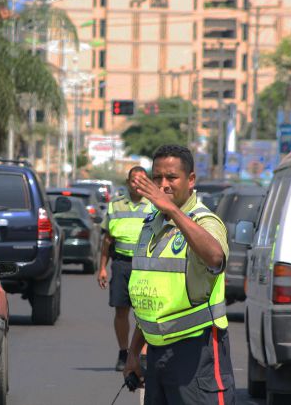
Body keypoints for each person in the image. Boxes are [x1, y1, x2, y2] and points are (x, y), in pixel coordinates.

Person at [123, 144, 235, 405]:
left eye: (171, 177)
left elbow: (215, 257)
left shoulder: (205, 221)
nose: (163, 185)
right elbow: (150, 299)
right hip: (157, 353)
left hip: (197, 352)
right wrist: (133, 354)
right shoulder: (151, 225)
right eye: (157, 178)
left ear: (191, 180)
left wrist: (174, 211)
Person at [97, 166, 153, 371]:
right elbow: (107, 240)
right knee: (121, 310)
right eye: (133, 180)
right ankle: (123, 352)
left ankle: (142, 354)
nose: (137, 184)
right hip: (121, 264)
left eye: (141, 180)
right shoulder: (115, 205)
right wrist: (102, 268)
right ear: (128, 182)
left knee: (145, 311)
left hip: (146, 267)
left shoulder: (154, 206)